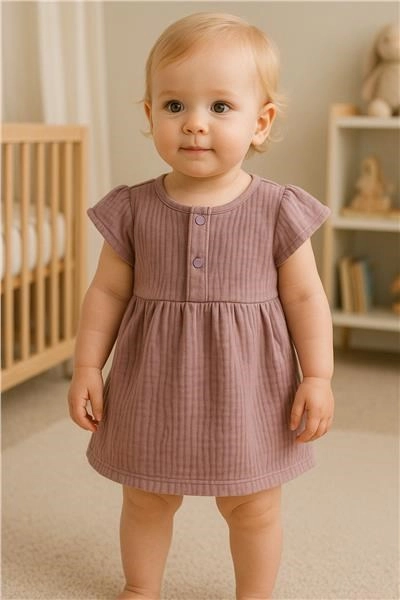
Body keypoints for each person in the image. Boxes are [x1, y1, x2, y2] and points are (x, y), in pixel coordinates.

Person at [68, 12, 335, 600]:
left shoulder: (278, 209)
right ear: (150, 115)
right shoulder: (133, 209)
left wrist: (317, 375)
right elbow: (106, 292)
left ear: (260, 122)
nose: (194, 123)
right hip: (152, 384)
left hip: (250, 390)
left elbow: (305, 297)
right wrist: (87, 365)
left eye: (219, 106)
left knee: (254, 505)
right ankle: (141, 587)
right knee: (145, 497)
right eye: (174, 106)